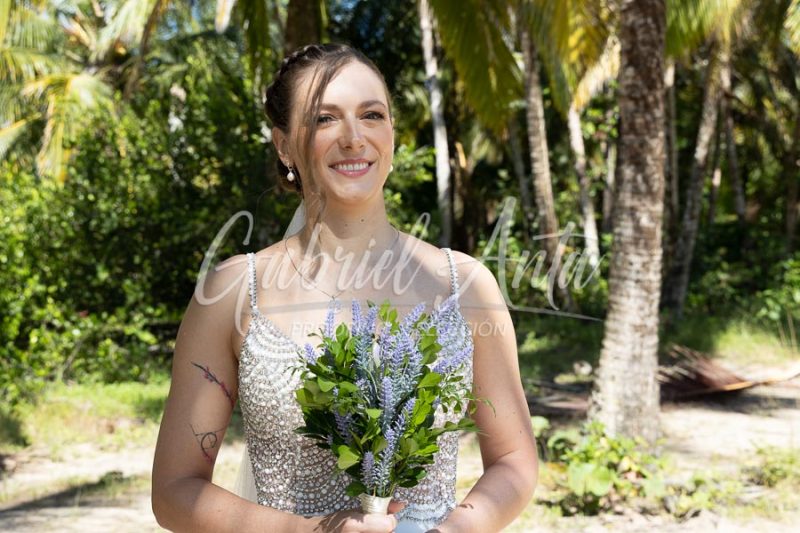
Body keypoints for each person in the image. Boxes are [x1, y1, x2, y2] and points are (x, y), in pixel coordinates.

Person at [151, 43, 538, 533]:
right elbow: (173, 492)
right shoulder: (232, 292)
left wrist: (453, 530)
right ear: (284, 144)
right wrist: (311, 531)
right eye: (325, 119)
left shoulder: (465, 284)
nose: (354, 138)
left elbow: (514, 460)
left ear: (392, 134)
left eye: (371, 115)